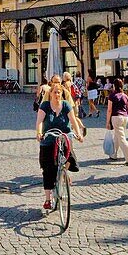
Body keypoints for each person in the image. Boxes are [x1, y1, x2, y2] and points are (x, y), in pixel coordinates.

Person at [35, 83, 83, 212]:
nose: (57, 95)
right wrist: (39, 133)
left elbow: (73, 121)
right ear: (50, 93)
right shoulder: (45, 106)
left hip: (64, 138)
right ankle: (48, 199)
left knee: (70, 157)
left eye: (59, 92)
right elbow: (39, 122)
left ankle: (63, 174)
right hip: (49, 139)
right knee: (48, 168)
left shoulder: (66, 105)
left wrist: (78, 134)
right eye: (55, 92)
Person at [105, 78, 128, 164]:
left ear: (114, 86)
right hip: (125, 117)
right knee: (118, 135)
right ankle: (114, 154)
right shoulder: (125, 96)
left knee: (121, 137)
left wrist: (107, 122)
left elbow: (109, 110)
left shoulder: (112, 96)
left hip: (116, 117)